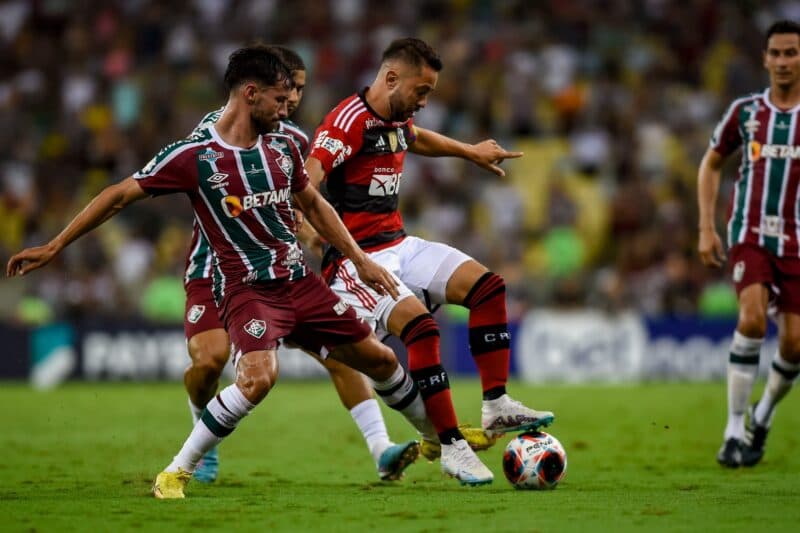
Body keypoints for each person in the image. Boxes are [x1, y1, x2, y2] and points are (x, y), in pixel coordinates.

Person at [5, 46, 480, 498]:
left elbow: (313, 203)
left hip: (299, 281)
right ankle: (177, 470)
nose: (289, 105)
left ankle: (442, 442)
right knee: (251, 375)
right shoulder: (195, 155)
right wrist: (56, 244)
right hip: (244, 288)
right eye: (282, 95)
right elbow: (118, 194)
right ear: (251, 93)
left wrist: (358, 259)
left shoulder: (287, 145)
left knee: (377, 360)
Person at [182, 45, 491, 484]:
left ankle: (384, 448)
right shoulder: (218, 132)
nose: (296, 102)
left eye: (300, 92)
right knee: (211, 362)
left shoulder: (285, 136)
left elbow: (309, 196)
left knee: (348, 353)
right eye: (291, 91)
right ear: (266, 88)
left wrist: (318, 238)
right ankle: (199, 428)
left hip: (281, 273)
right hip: (216, 270)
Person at [302, 37, 556, 463]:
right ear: (391, 77)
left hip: (399, 242)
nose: (424, 101)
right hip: (357, 258)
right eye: (422, 91)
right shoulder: (346, 121)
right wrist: (315, 236)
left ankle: (496, 405)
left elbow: (415, 138)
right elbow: (305, 183)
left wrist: (469, 152)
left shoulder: (396, 118)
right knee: (418, 333)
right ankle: (451, 445)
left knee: (488, 288)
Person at [698, 19, 800, 468]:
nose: (782, 61)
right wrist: (706, 227)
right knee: (754, 319)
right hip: (750, 235)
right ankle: (732, 432)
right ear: (764, 58)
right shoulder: (746, 112)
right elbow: (711, 164)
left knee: (795, 345)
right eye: (775, 53)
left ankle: (762, 415)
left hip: (796, 240)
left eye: (791, 53)